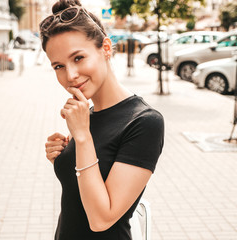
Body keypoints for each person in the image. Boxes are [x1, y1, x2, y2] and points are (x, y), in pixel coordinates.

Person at [41, 0, 164, 239]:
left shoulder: (144, 122)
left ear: (106, 48)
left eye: (78, 58)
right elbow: (80, 194)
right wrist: (62, 156)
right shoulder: (87, 115)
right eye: (58, 66)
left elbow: (101, 219)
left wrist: (83, 137)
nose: (70, 75)